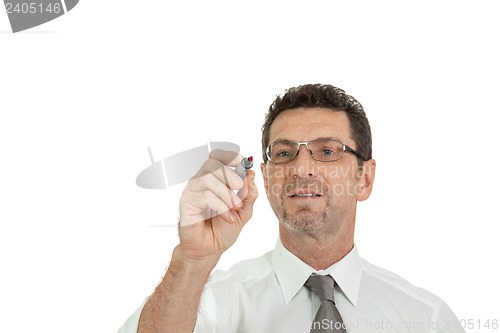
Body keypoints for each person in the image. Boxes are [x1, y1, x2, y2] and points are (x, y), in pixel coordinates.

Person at [119, 84, 465, 333]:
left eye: (327, 151)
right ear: (267, 178)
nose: (301, 169)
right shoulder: (208, 305)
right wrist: (192, 260)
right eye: (284, 153)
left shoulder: (427, 319)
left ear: (364, 178)